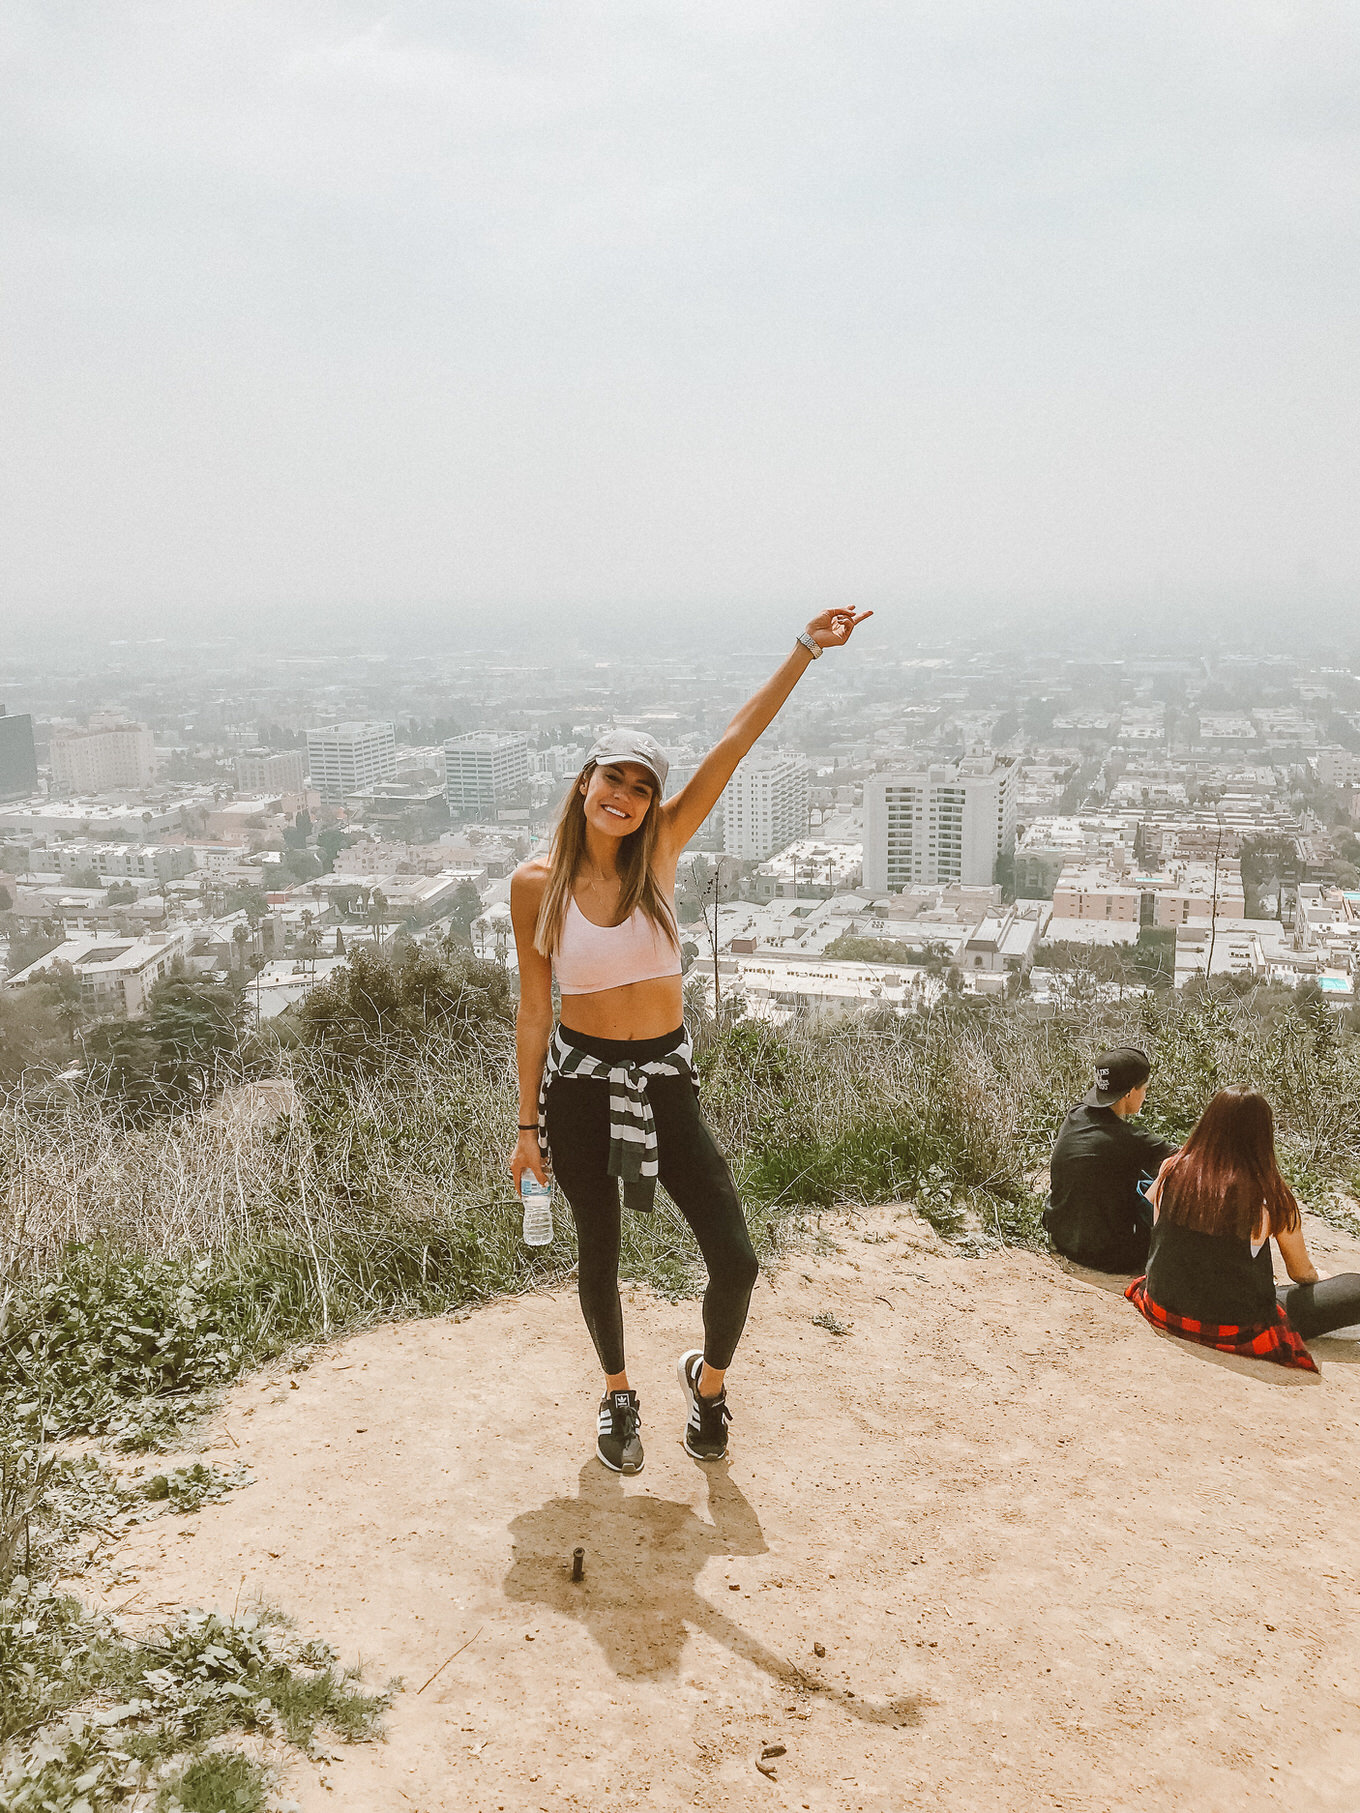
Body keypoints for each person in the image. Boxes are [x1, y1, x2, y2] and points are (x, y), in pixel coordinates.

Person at [509, 610, 873, 1474]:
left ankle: (707, 1387)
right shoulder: (535, 886)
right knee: (599, 1251)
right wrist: (526, 1129)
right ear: (584, 780)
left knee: (736, 1258)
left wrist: (806, 649)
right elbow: (531, 1011)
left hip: (666, 1077)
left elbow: (735, 743)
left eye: (641, 786)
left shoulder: (662, 846)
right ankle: (616, 1394)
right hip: (583, 1085)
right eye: (614, 779)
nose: (626, 797)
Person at [1127, 1087, 1360, 1371]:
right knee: (1353, 1287)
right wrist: (1319, 1278)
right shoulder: (1270, 1195)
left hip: (1162, 1304)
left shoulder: (1171, 1168)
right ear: (1262, 1135)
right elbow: (1300, 1272)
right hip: (1233, 1325)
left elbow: (1162, 1233)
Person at [1043, 1046, 1177, 1273]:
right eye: (1144, 1088)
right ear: (1129, 1093)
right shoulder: (1130, 1139)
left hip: (1061, 1237)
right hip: (1107, 1256)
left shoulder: (1075, 1115)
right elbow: (1190, 1159)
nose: (1145, 1095)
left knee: (1139, 1179)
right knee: (1166, 1177)